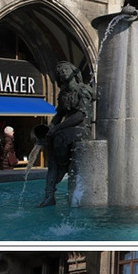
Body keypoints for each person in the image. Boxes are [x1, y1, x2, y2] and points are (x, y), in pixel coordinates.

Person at [38, 62, 94, 207]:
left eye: (65, 69)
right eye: (59, 71)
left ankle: (63, 165)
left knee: (59, 138)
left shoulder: (83, 90)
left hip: (81, 129)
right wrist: (50, 128)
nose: (62, 72)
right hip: (68, 130)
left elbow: (81, 116)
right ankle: (49, 195)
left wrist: (58, 128)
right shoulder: (63, 94)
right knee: (50, 144)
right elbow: (59, 115)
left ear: (73, 72)